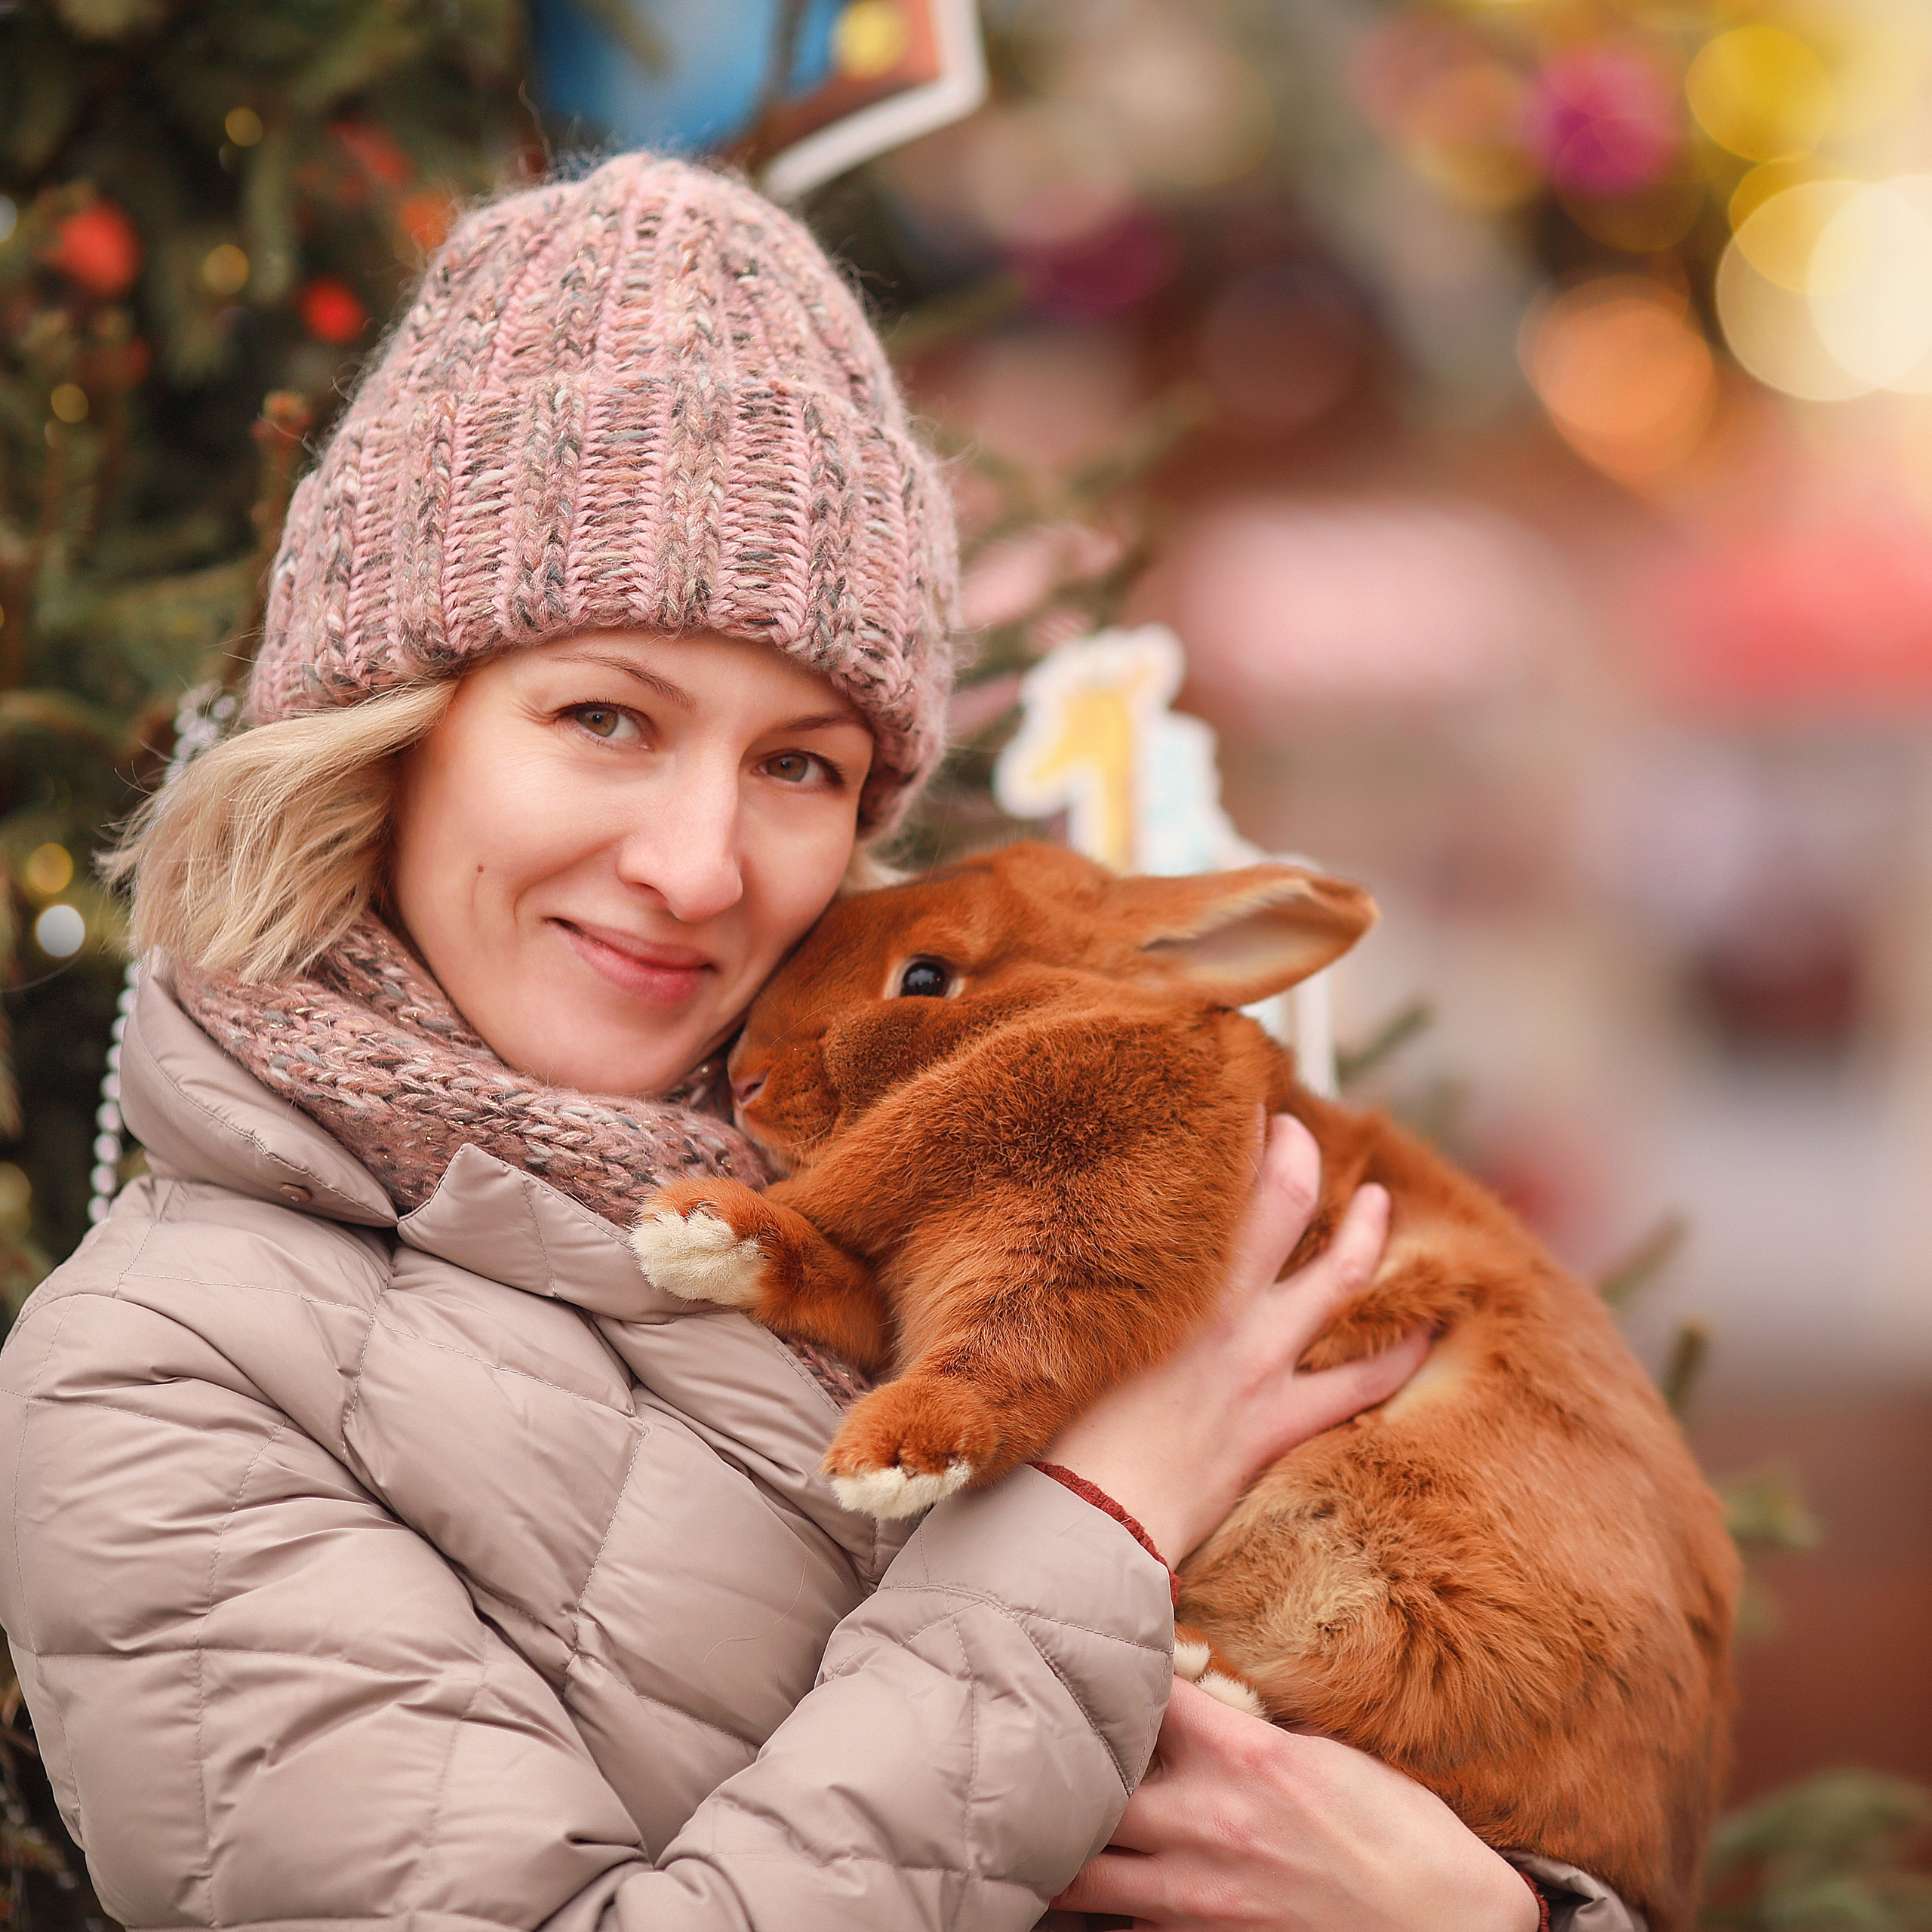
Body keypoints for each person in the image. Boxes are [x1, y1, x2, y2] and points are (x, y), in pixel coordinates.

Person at [0, 155, 1641, 1932]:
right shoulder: (160, 1370)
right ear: (391, 733)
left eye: (798, 763)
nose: (699, 865)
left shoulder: (960, 1125)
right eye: (606, 715)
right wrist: (1096, 1506)